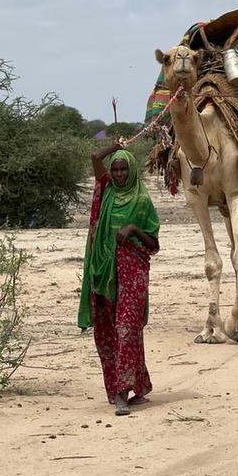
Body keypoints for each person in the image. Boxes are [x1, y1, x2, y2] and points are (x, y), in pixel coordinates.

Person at [78, 139, 160, 416]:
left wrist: (135, 229)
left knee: (127, 329)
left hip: (132, 272)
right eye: (116, 170)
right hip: (103, 271)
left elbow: (153, 244)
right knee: (107, 332)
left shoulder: (142, 200)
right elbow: (93, 156)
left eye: (125, 169)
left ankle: (121, 393)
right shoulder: (106, 191)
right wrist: (113, 146)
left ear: (133, 171)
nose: (120, 174)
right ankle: (136, 385)